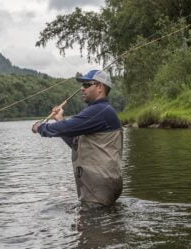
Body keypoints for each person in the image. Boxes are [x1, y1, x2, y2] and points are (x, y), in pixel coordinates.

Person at [32, 69, 123, 206]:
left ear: (100, 87)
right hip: (103, 184)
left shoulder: (99, 111)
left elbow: (66, 127)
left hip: (98, 186)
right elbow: (77, 144)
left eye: (87, 85)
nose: (82, 89)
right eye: (82, 85)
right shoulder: (100, 111)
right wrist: (60, 119)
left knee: (93, 225)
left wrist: (41, 128)